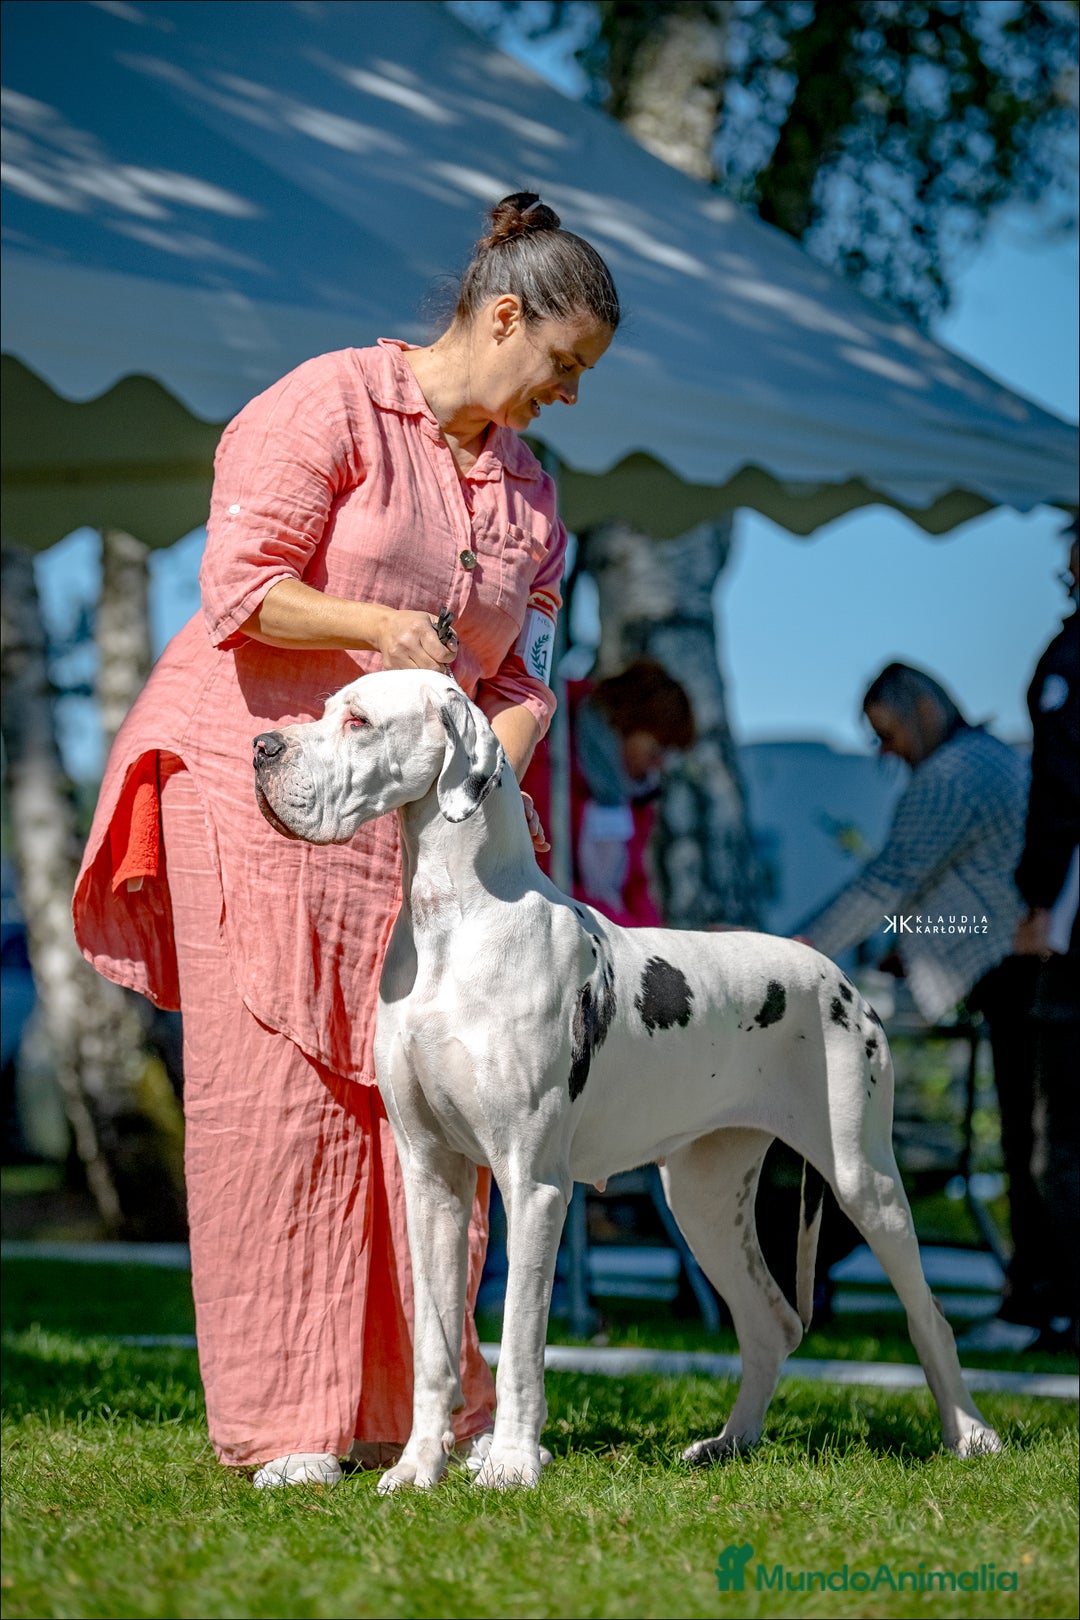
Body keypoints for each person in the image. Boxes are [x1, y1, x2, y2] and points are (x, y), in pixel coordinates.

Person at [73, 193, 619, 1486]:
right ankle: (287, 1424)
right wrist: (377, 632)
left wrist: (487, 786)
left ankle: (415, 1407)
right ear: (501, 318)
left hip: (411, 834)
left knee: (428, 1102)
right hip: (257, 781)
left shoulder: (531, 491)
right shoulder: (327, 403)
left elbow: (525, 680)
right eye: (564, 366)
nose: (569, 398)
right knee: (276, 1103)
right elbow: (242, 589)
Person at [795, 663, 1039, 1321]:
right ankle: (1036, 1296)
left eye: (888, 733)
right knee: (1028, 1143)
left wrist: (790, 953)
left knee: (1029, 1145)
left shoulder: (951, 778)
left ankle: (1036, 1301)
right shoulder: (990, 762)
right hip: (1012, 972)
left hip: (1019, 979)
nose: (887, 753)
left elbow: (886, 885)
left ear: (925, 710)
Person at [1011, 522, 1079, 1350]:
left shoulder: (943, 785)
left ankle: (1053, 1296)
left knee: (1056, 1135)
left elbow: (890, 890)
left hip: (1004, 936)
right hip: (1016, 925)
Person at [524, 660, 695, 925]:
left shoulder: (635, 796)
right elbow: (543, 874)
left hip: (600, 931)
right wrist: (626, 931)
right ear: (625, 722)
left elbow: (634, 885)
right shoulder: (548, 751)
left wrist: (656, 943)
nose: (660, 765)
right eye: (656, 750)